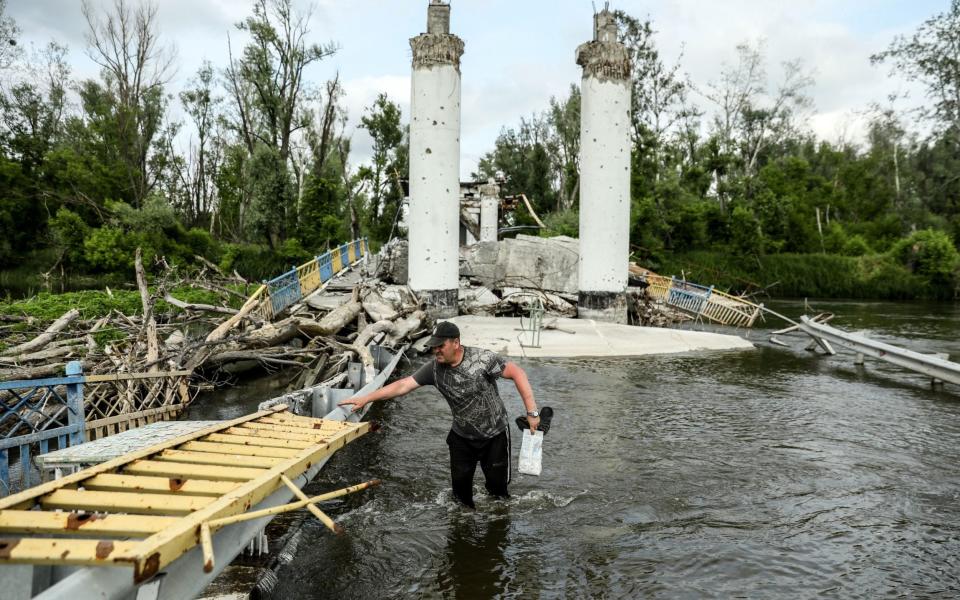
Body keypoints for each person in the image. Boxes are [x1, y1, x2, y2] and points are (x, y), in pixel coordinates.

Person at [339, 321, 540, 508]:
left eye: (440, 346)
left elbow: (517, 373)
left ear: (456, 343)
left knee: (499, 497)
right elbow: (402, 385)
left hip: (494, 436)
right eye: (433, 346)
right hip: (461, 439)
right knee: (461, 501)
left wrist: (532, 412)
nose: (436, 351)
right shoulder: (434, 369)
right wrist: (366, 398)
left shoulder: (483, 360)